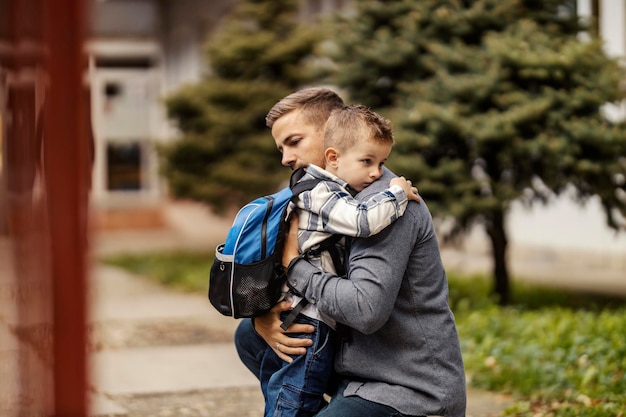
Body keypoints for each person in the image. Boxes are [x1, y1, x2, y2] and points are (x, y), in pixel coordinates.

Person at [234, 87, 467, 417]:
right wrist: (263, 314)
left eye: (294, 141)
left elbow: (365, 310)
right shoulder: (324, 198)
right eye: (281, 147)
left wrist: (294, 266)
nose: (285, 158)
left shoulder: (386, 207)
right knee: (250, 336)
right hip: (353, 372)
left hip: (406, 389)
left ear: (334, 134)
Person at [261, 104, 420, 417]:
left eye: (381, 163)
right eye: (368, 162)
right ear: (333, 156)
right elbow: (361, 221)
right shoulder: (322, 191)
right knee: (293, 399)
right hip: (311, 318)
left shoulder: (315, 186)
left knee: (286, 397)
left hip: (312, 315)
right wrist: (397, 194)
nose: (376, 173)